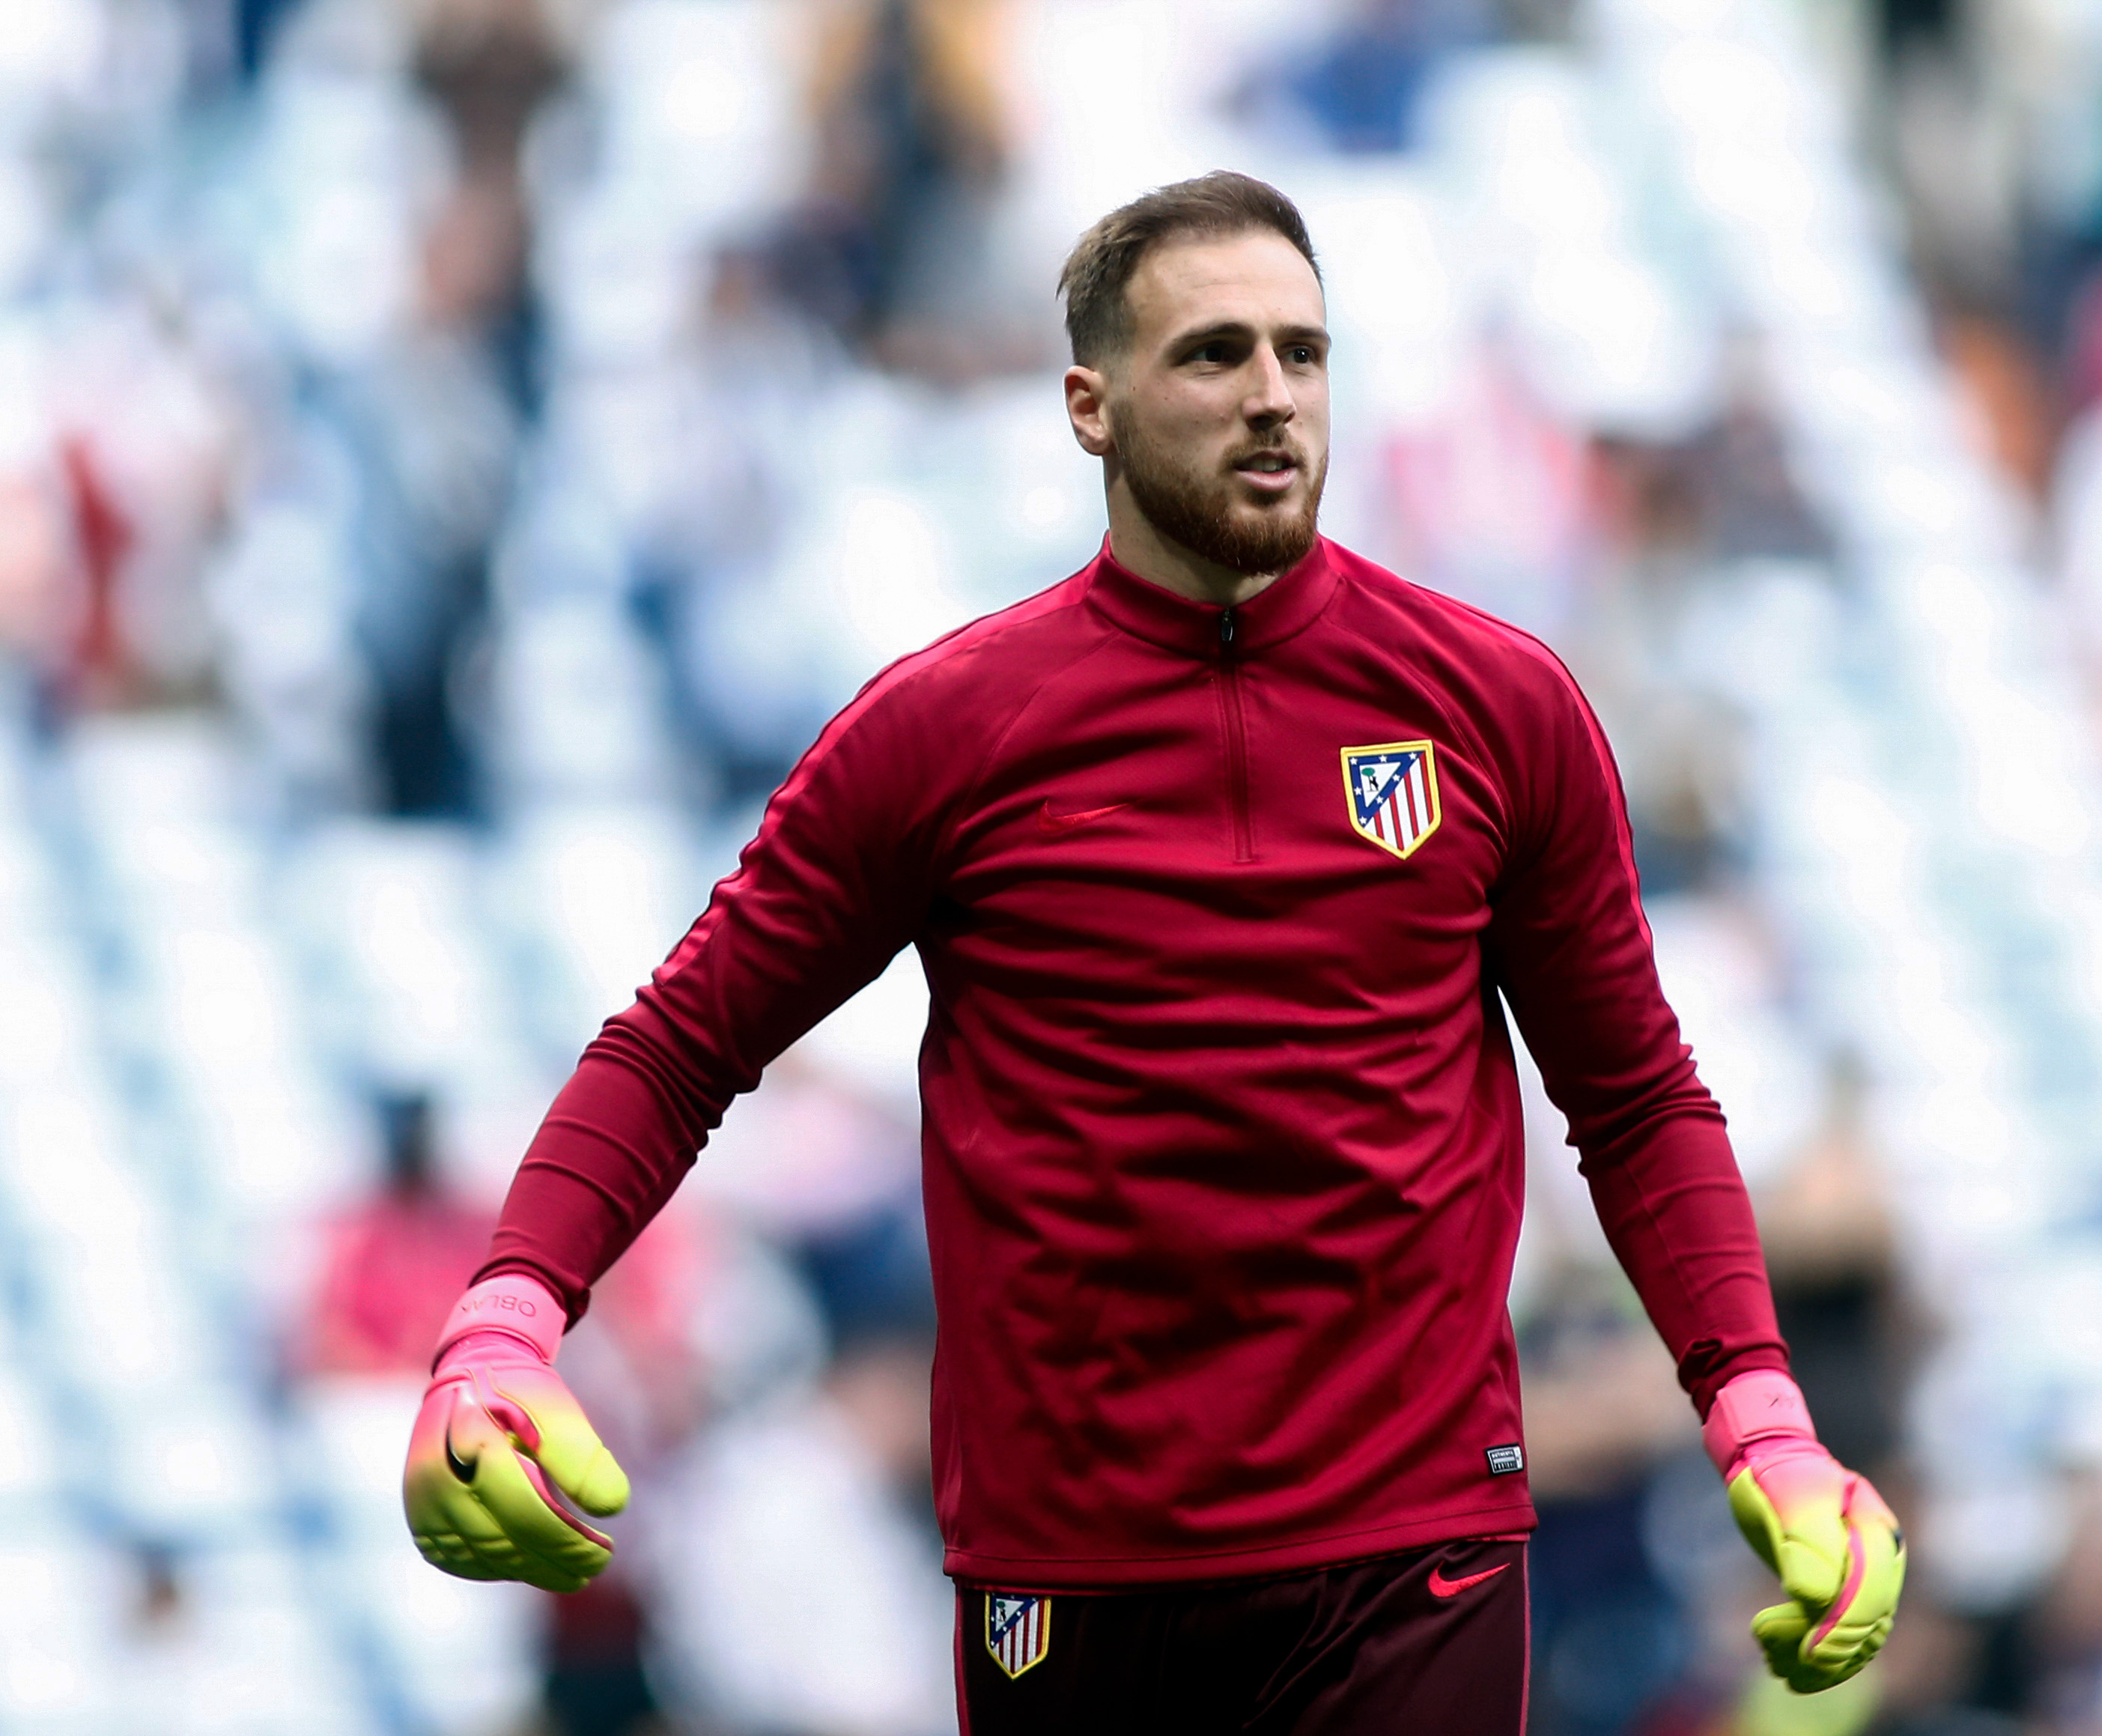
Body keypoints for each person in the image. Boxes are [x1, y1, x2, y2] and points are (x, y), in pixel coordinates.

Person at [399, 171, 1903, 1732]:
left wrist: (1761, 1413)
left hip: (1412, 1556)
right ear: (1089, 407)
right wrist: (510, 1311)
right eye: (1213, 355)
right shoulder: (946, 734)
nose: (1271, 398)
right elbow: (682, 1040)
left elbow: (1638, 1097)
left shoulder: (1499, 709)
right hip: (1077, 1580)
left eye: (1304, 355)